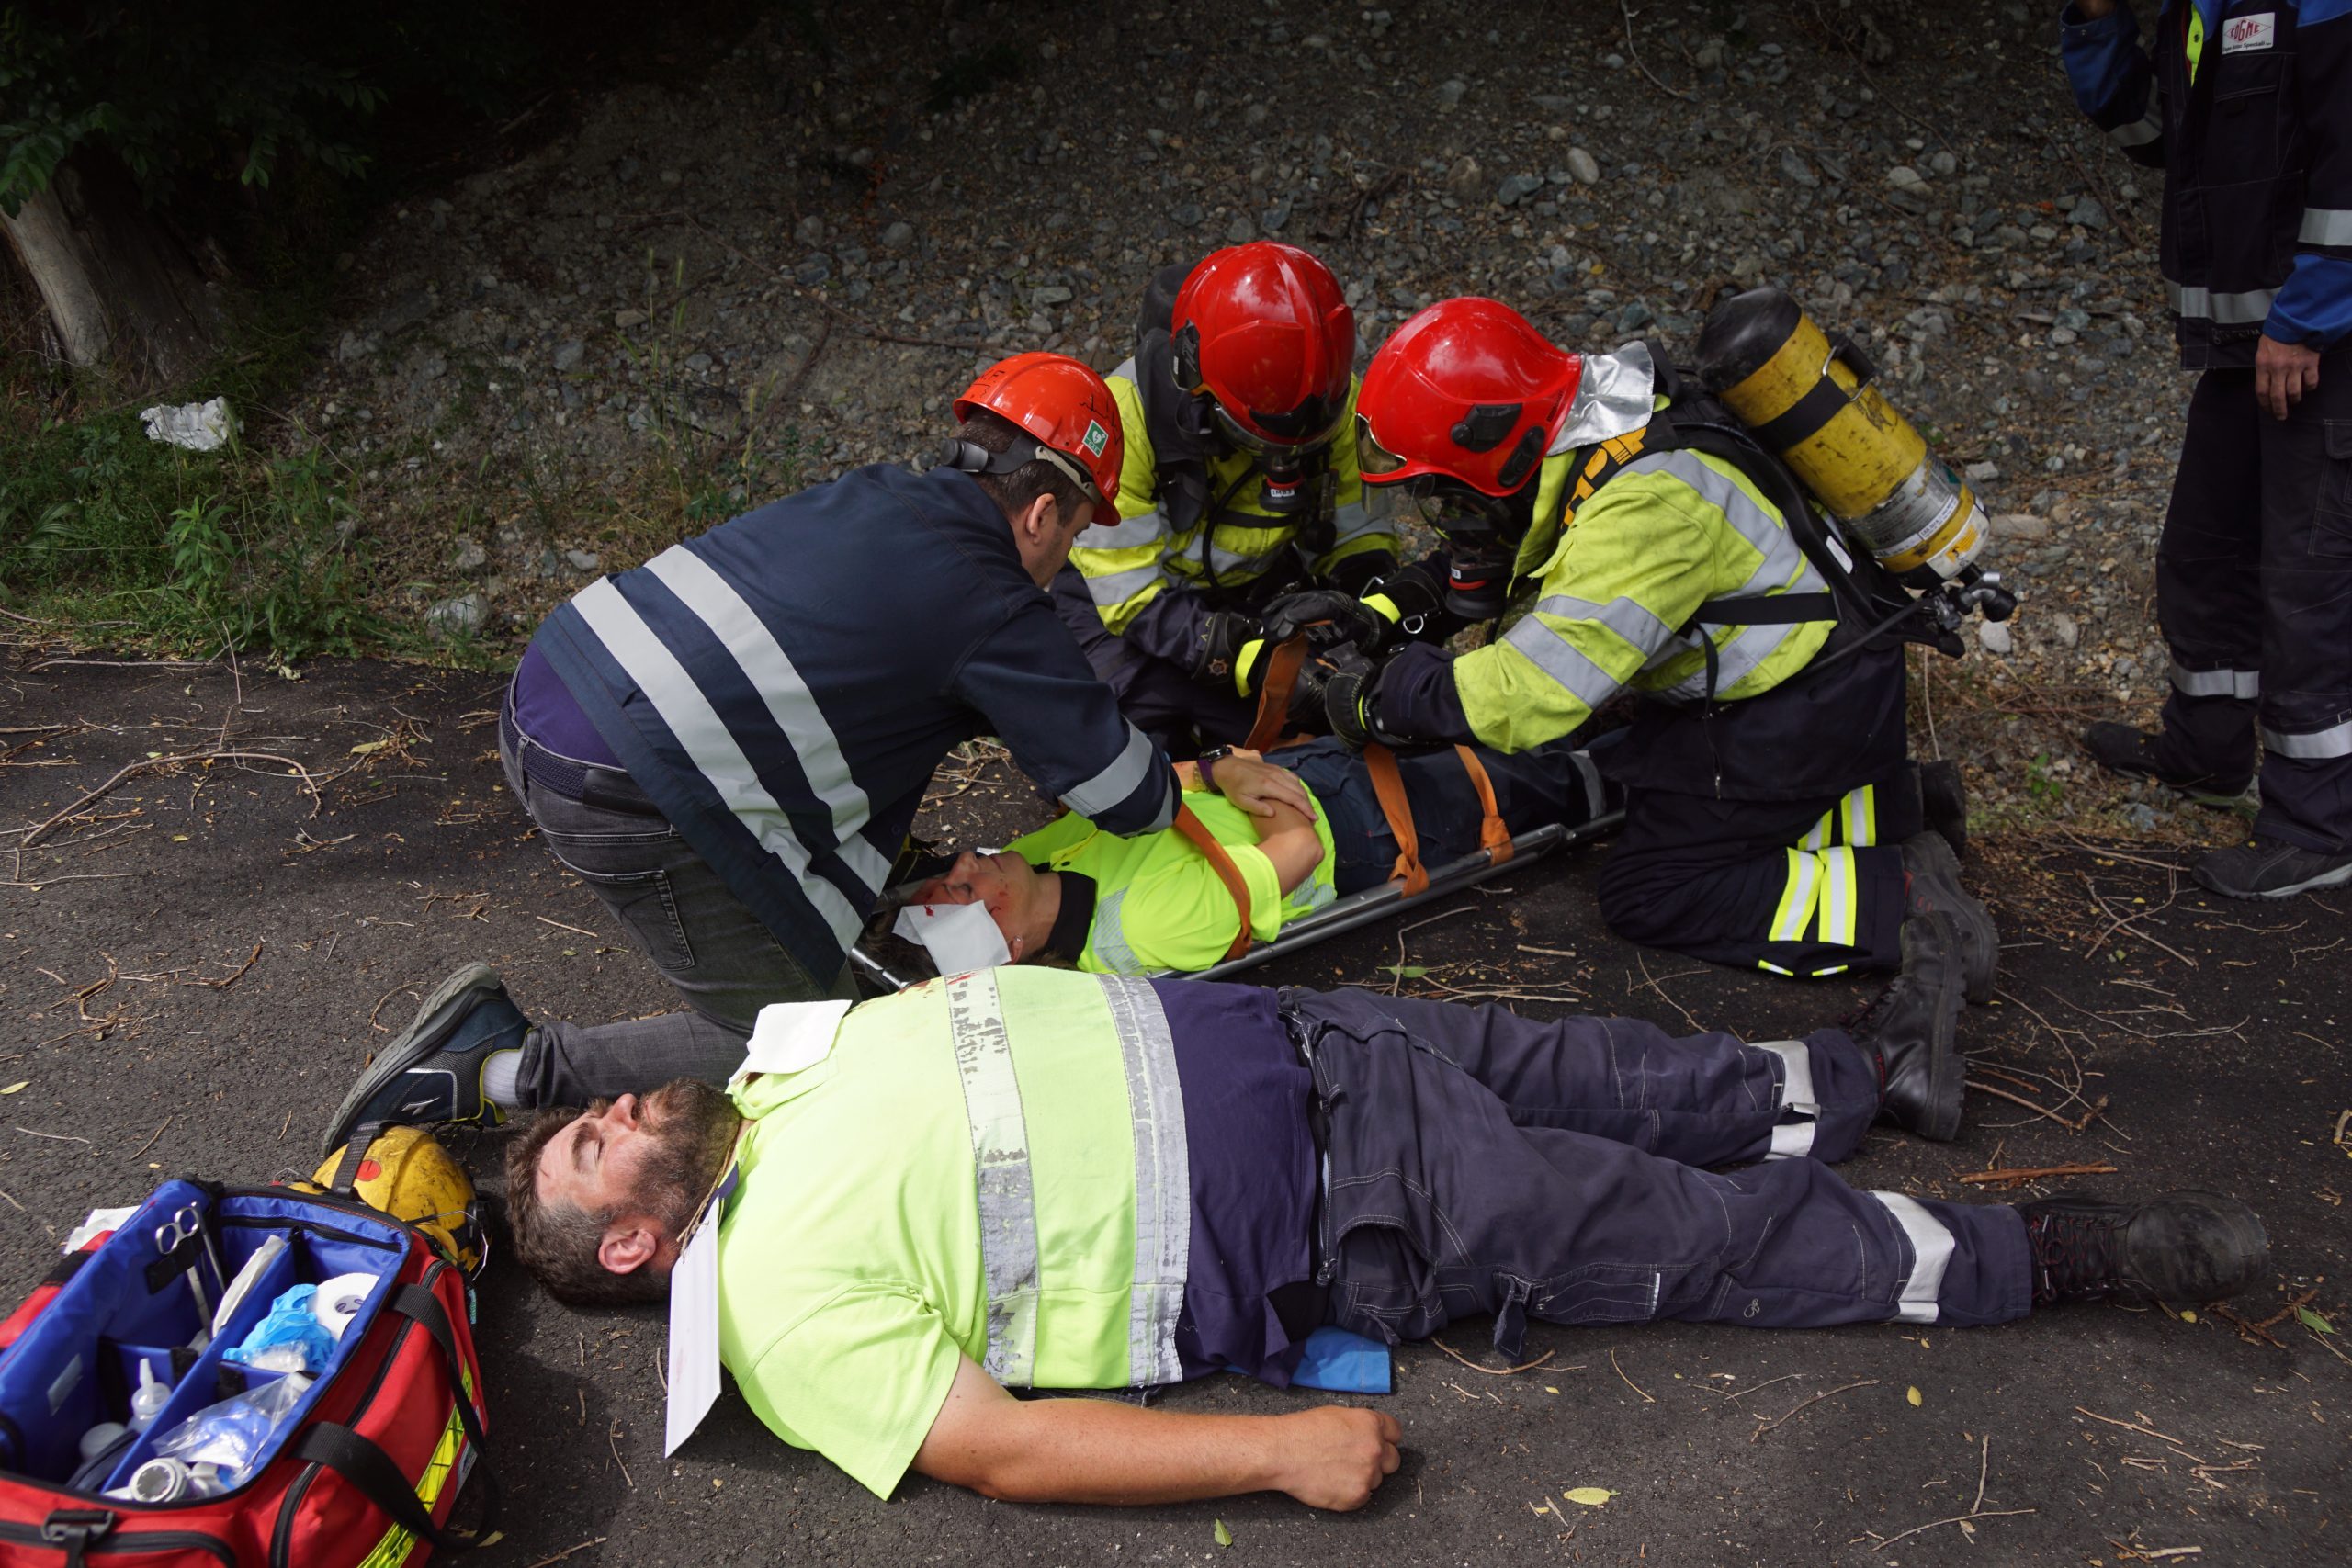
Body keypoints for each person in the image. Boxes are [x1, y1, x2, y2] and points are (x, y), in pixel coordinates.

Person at [498, 914, 2268, 1510]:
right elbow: (1003, 1448)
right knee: (1698, 1230)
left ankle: (1862, 1081)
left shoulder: (766, 1089)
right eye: (585, 1148)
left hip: (1325, 1040)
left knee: (1649, 1072)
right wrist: (1273, 1455)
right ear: (639, 1248)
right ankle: (2048, 1257)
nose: (605, 1113)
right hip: (1362, 1197)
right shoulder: (782, 1318)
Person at [322, 353, 1311, 1152]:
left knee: (858, 795)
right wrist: (1207, 768)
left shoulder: (878, 494)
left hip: (555, 683)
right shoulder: (989, 592)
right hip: (631, 784)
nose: (1066, 563)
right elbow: (1120, 793)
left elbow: (846, 700)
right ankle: (491, 1067)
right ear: (1044, 513)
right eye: (1076, 533)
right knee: (807, 1039)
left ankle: (814, 906)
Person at [1314, 298, 1995, 990]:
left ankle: (1903, 905)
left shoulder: (1646, 509)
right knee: (1641, 778)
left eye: (1444, 492)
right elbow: (1510, 555)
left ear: (1499, 448)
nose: (1444, 513)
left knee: (1650, 891)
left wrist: (1387, 699)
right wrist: (1386, 616)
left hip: (1805, 710)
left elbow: (1535, 688)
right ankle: (1899, 805)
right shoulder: (1602, 418)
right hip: (1813, 675)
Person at [2062, 0, 2352, 899]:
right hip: (2251, 353)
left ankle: (2318, 825)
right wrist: (2093, 21)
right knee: (2204, 551)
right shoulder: (2208, 10)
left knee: (2307, 584)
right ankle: (2207, 750)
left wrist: (2305, 320)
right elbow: (2157, 134)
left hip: (2321, 345)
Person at [1050, 241, 1405, 756]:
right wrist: (1255, 661)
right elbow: (1130, 597)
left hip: (1252, 589)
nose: (1284, 462)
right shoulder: (1123, 419)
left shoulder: (1337, 402)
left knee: (1321, 727)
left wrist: (1361, 617)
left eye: (1303, 447)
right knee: (1121, 748)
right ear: (1200, 389)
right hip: (1119, 603)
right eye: (1264, 444)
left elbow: (1358, 536)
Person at [903, 737, 1617, 974]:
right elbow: (1299, 848)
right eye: (965, 890)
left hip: (1305, 778)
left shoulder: (1037, 857)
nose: (967, 861)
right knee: (1546, 781)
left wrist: (1224, 772)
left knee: (1501, 724)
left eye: (949, 872)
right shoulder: (1145, 925)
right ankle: (1652, 774)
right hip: (1360, 827)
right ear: (1017, 942)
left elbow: (1160, 780)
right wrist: (1234, 772)